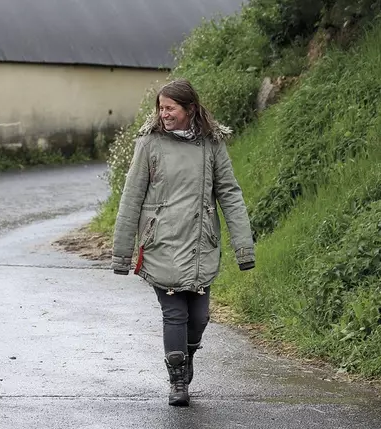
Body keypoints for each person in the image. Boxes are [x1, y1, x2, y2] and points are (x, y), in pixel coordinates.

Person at [111, 79, 255, 406]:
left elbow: (230, 194)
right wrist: (122, 254)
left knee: (200, 317)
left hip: (200, 242)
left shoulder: (211, 145)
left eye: (170, 108)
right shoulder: (149, 144)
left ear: (189, 109)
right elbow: (131, 197)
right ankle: (178, 380)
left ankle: (185, 357)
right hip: (161, 242)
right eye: (160, 108)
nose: (164, 114)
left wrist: (243, 246)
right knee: (175, 313)